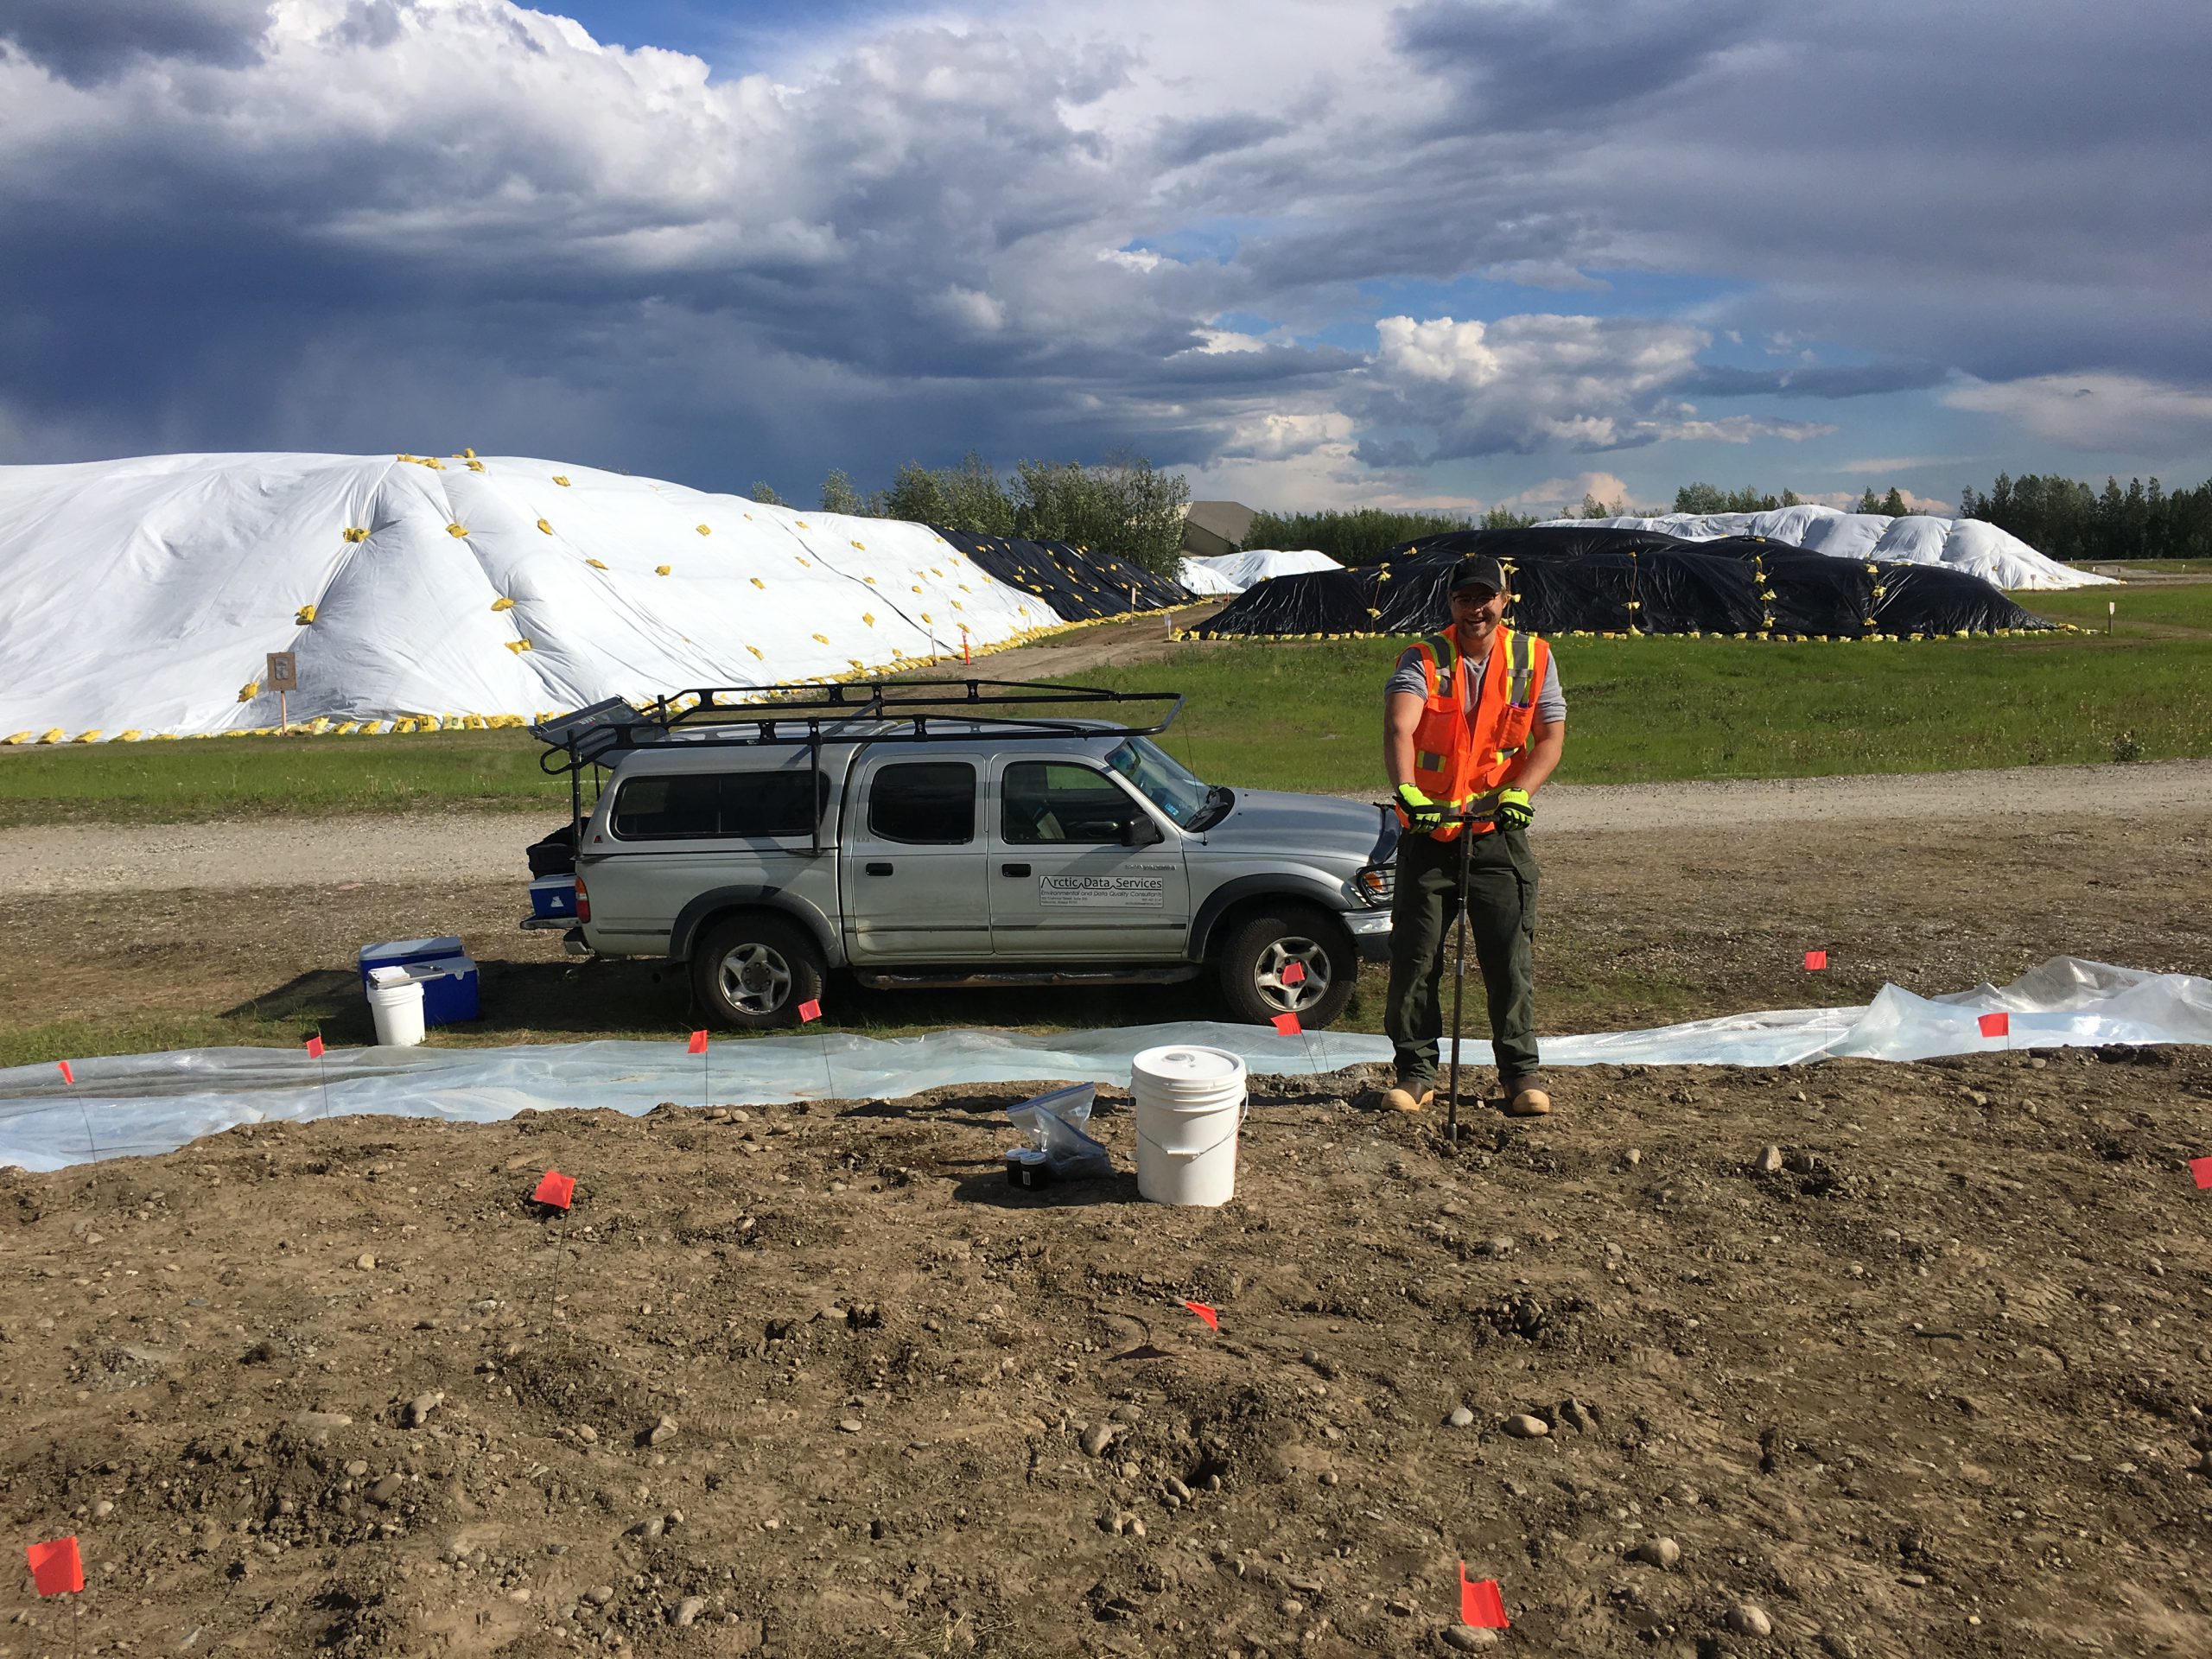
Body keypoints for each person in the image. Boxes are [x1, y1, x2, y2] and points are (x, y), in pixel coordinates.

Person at [1380, 554, 1566, 1116]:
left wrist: (1519, 793)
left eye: (1486, 597)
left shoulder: (1533, 659)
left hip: (1495, 832)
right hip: (1430, 833)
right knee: (1415, 958)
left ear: (1504, 600)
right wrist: (1409, 793)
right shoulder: (1424, 658)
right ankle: (1416, 1074)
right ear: (1451, 603)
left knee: (1510, 958)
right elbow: (1399, 726)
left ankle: (1520, 1074)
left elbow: (1549, 738)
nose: (1476, 608)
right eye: (1465, 598)